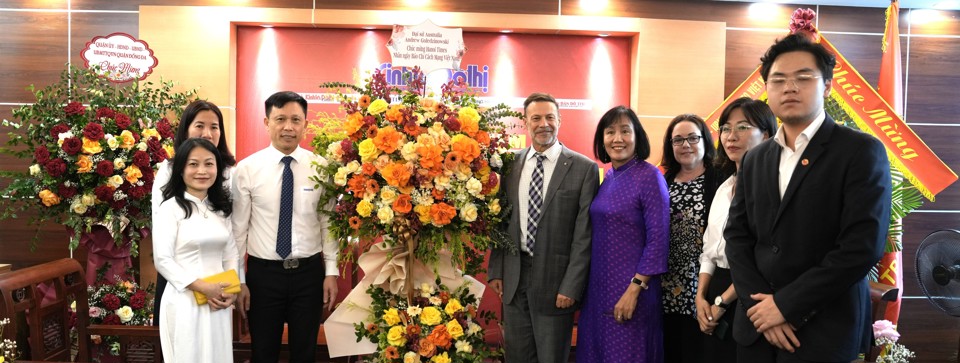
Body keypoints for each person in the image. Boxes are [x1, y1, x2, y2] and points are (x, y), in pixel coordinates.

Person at [725, 34, 892, 363]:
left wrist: (785, 306)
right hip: (755, 330)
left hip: (823, 330)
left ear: (827, 86)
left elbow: (861, 246)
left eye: (803, 78)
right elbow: (737, 236)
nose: (789, 87)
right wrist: (762, 307)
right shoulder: (756, 158)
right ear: (767, 89)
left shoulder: (860, 152)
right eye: (778, 80)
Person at [487, 92, 599, 363]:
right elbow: (501, 221)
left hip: (556, 282)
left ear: (560, 120)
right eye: (535, 118)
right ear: (525, 123)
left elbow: (584, 236)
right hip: (514, 278)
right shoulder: (510, 164)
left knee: (551, 358)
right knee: (517, 356)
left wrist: (571, 286)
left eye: (550, 117)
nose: (543, 124)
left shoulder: (584, 169)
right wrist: (497, 269)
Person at [232, 91, 339, 363]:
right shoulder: (246, 170)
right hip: (263, 276)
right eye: (280, 119)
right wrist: (239, 280)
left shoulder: (321, 168)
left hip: (309, 275)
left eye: (295, 119)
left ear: (305, 124)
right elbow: (238, 232)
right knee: (263, 353)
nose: (288, 127)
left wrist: (331, 272)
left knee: (305, 354)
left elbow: (329, 224)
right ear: (267, 122)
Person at [576, 106, 670, 363]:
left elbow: (658, 241)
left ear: (637, 136)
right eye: (610, 132)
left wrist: (635, 289)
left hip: (633, 291)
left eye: (625, 131)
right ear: (602, 139)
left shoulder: (650, 177)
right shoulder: (609, 176)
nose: (617, 138)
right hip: (598, 290)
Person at [695, 97, 777, 363]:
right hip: (714, 287)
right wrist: (700, 297)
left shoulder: (772, 188)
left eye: (742, 127)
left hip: (746, 293)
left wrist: (722, 302)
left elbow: (759, 257)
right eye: (726, 128)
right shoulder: (724, 186)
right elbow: (709, 249)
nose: (731, 136)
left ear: (765, 134)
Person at [152, 99, 237, 326]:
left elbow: (232, 241)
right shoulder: (168, 172)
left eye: (214, 126)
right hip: (181, 282)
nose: (207, 133)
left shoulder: (231, 172)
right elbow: (163, 248)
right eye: (199, 125)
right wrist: (198, 285)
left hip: (219, 284)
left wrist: (233, 286)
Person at [658, 113, 725, 363]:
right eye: (678, 140)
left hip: (704, 284)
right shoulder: (662, 181)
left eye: (692, 138)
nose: (685, 145)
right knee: (671, 351)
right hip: (666, 285)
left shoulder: (721, 179)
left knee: (701, 352)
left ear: (705, 141)